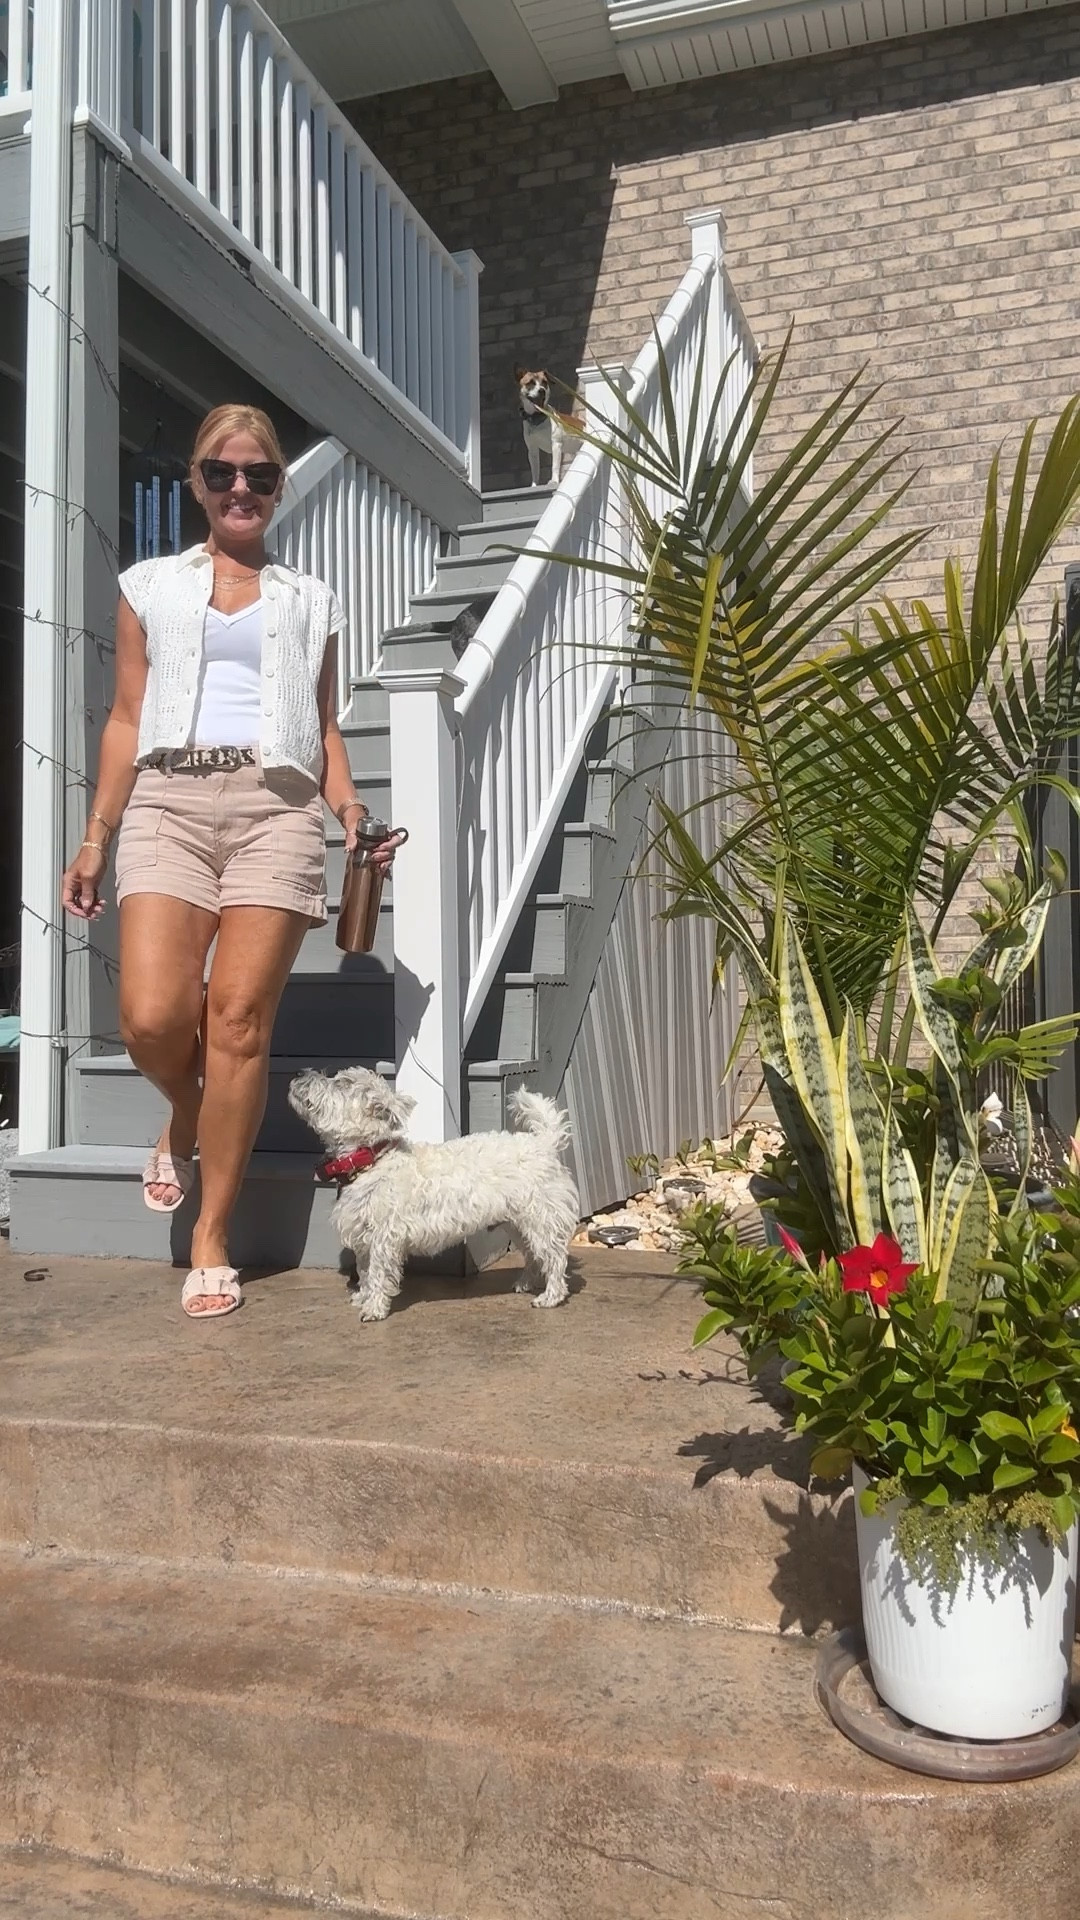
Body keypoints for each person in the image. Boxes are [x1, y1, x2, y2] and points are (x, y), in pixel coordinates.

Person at [61, 403, 402, 1319]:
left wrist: (351, 808)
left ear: (280, 486)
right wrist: (97, 835)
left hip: (277, 808)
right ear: (197, 484)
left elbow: (323, 726)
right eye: (222, 473)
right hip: (168, 799)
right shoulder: (150, 587)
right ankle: (183, 1112)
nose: (240, 488)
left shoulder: (310, 600)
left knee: (240, 1021)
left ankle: (213, 1233)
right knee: (151, 1017)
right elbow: (127, 719)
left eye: (257, 475)